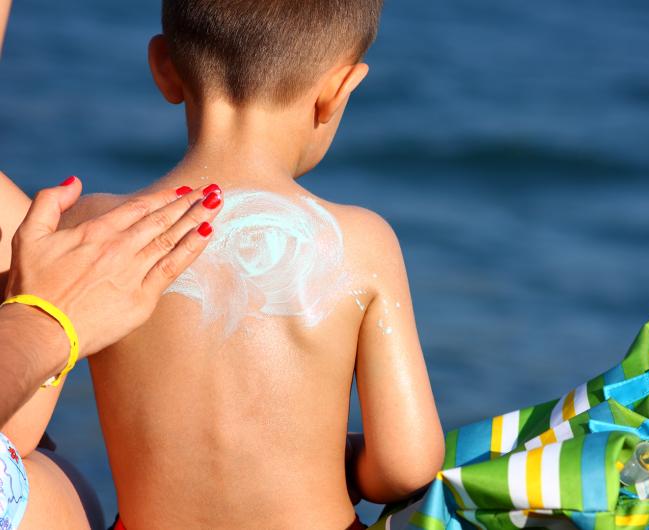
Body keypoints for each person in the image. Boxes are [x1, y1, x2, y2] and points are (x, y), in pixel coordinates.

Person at [52, 0, 445, 528]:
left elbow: (15, 437)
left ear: (164, 68)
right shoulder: (362, 243)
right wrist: (341, 465)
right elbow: (406, 466)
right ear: (338, 91)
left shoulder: (90, 227)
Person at [0, 174, 224, 530]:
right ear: (326, 112)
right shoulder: (348, 236)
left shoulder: (87, 215)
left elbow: (16, 433)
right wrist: (44, 320)